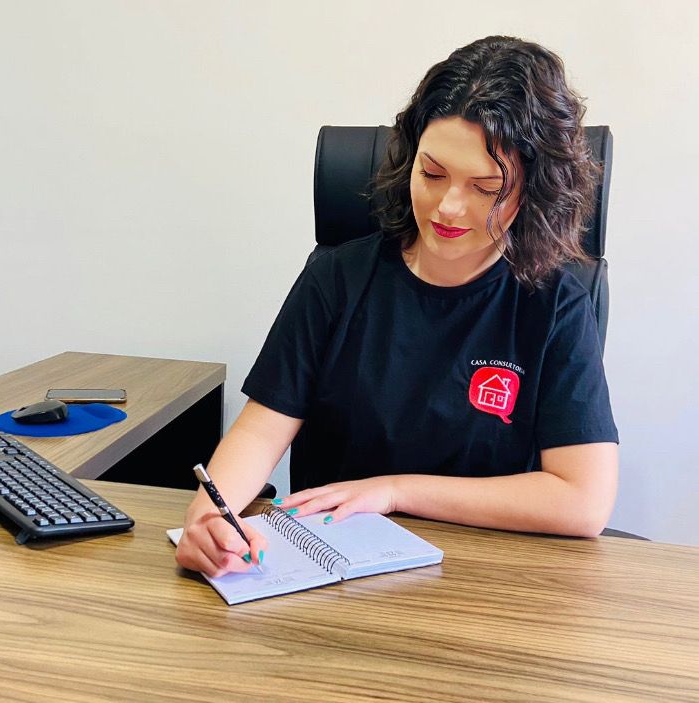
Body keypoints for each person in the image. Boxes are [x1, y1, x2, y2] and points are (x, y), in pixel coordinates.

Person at [176, 35, 619, 578]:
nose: (449, 207)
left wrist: (395, 492)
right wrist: (206, 518)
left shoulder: (553, 302)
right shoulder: (338, 277)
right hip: (327, 572)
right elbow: (262, 429)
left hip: (485, 584)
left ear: (534, 192)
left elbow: (583, 501)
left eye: (486, 188)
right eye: (432, 174)